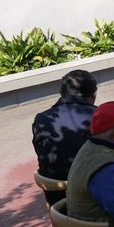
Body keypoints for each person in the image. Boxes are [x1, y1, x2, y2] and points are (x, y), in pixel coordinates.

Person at [32, 69, 98, 204]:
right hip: (94, 202)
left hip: (58, 203)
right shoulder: (99, 117)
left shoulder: (42, 119)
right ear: (93, 95)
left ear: (62, 93)